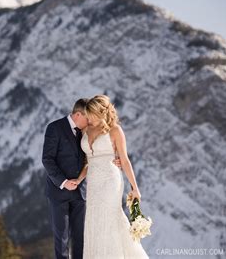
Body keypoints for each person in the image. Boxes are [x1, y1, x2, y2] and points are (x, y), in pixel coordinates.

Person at [42, 98, 122, 259]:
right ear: (78, 114)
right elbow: (47, 159)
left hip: (82, 192)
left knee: (80, 237)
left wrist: (114, 158)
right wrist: (64, 182)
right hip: (59, 193)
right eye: (88, 117)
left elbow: (93, 154)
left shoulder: (86, 130)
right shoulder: (55, 128)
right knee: (62, 237)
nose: (91, 121)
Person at [77, 94, 149, 258]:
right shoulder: (85, 130)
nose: (89, 117)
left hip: (111, 180)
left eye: (92, 114)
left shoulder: (115, 130)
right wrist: (79, 179)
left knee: (109, 217)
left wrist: (135, 189)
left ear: (101, 112)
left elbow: (124, 160)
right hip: (93, 183)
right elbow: (87, 161)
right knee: (94, 219)